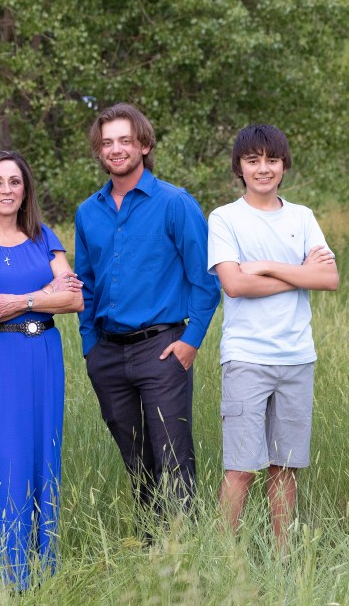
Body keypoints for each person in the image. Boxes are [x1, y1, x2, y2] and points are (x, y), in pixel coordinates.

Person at [74, 103, 220, 520]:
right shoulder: (88, 212)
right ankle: (151, 546)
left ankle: (186, 558)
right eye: (107, 143)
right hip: (107, 354)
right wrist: (90, 347)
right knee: (136, 462)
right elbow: (83, 285)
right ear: (99, 152)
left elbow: (206, 280)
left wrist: (190, 342)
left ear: (144, 144)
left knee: (173, 457)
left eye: (124, 140)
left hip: (162, 348)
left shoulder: (175, 203)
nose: (115, 149)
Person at [0, 150, 83, 589]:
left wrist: (21, 300)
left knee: (43, 454)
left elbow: (75, 299)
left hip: (43, 352)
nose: (7, 190)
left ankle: (44, 571)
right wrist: (46, 290)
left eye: (15, 182)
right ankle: (6, 577)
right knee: (5, 458)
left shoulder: (44, 237)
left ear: (25, 190)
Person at [207, 124, 339, 554]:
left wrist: (263, 265)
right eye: (253, 160)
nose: (263, 169)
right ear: (239, 168)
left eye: (272, 159)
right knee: (242, 468)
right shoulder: (225, 217)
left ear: (284, 166)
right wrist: (301, 276)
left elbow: (330, 277)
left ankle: (284, 559)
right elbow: (235, 285)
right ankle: (225, 560)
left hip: (297, 357)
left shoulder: (301, 216)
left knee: (285, 468)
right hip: (246, 357)